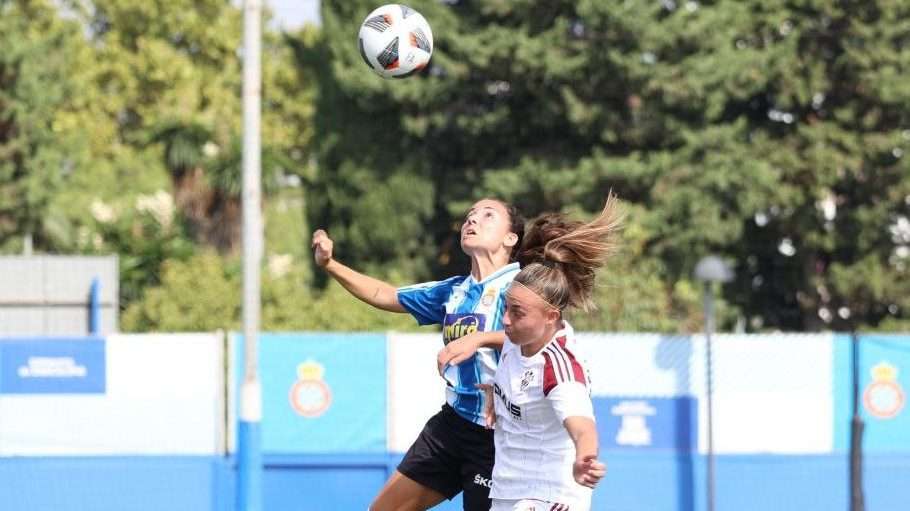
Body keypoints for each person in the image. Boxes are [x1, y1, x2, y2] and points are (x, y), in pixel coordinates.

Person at [311, 198, 526, 511]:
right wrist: (330, 265)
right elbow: (385, 294)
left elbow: (546, 335)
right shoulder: (454, 291)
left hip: (501, 435)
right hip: (453, 425)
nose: (472, 221)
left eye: (487, 215)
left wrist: (480, 339)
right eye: (470, 215)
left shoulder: (523, 285)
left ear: (511, 238)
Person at [480, 195, 622, 511]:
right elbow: (510, 359)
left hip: (550, 498)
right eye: (506, 307)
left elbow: (583, 426)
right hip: (507, 489)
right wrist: (495, 387)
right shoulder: (517, 338)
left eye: (517, 312)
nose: (506, 319)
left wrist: (585, 459)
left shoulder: (559, 370)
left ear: (550, 317)